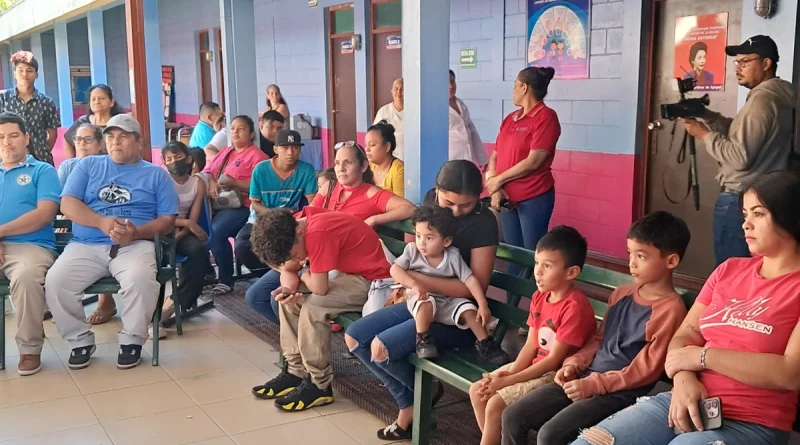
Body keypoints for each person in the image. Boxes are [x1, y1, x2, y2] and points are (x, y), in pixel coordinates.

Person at [572, 172, 800, 445]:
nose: (745, 224)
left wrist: (701, 357)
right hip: (682, 400)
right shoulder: (729, 270)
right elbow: (684, 337)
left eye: (758, 214)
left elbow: (788, 373)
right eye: (745, 213)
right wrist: (683, 379)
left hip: (750, 421)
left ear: (790, 219)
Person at [501, 211, 691, 445]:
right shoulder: (621, 294)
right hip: (586, 376)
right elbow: (598, 339)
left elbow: (645, 370)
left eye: (641, 256)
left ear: (671, 261)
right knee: (512, 415)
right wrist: (573, 364)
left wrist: (594, 385)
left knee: (550, 435)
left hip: (618, 393)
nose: (631, 263)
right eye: (630, 253)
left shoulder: (670, 310)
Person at [345, 160, 499, 441]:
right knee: (355, 337)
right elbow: (415, 256)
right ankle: (415, 399)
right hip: (421, 302)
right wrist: (409, 282)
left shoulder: (484, 221)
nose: (455, 211)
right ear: (436, 191)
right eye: (449, 202)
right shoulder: (431, 203)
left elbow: (471, 287)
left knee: (381, 348)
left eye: (465, 205)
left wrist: (415, 280)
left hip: (455, 315)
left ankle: (409, 409)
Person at [45, 114, 179, 370]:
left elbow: (167, 220)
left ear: (139, 142)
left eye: (124, 136)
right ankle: (79, 341)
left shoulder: (156, 175)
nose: (115, 141)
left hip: (135, 244)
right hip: (86, 244)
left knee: (140, 279)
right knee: (56, 281)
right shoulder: (88, 166)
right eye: (110, 136)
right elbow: (68, 204)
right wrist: (101, 222)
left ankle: (132, 340)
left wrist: (136, 233)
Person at [243, 144, 414, 324]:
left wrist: (375, 219)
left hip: (339, 265)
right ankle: (297, 342)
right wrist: (292, 281)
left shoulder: (371, 193)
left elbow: (408, 208)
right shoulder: (329, 188)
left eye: (348, 162)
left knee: (295, 301)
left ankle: (310, 332)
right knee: (258, 296)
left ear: (363, 166)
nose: (341, 168)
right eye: (337, 163)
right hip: (307, 255)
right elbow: (308, 224)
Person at [249, 209, 392, 410]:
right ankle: (295, 371)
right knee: (289, 299)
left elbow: (320, 288)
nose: (296, 257)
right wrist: (289, 289)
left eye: (293, 253)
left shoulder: (317, 233)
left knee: (314, 306)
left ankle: (319, 384)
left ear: (298, 233)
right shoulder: (293, 233)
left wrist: (304, 275)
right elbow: (290, 270)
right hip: (346, 275)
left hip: (373, 281)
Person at [468, 226, 596, 445]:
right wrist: (507, 375)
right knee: (477, 390)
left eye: (547, 265)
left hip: (557, 375)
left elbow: (554, 360)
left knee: (496, 403)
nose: (538, 271)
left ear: (571, 272)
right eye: (537, 263)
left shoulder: (575, 306)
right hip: (535, 366)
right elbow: (530, 344)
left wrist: (509, 380)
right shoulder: (540, 296)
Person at [680, 35, 795, 266]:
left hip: (740, 200)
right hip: (767, 197)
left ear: (766, 64)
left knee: (732, 270)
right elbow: (748, 135)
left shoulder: (762, 100)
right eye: (737, 62)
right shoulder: (783, 95)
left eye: (745, 62)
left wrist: (703, 134)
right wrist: (709, 117)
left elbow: (739, 156)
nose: (738, 68)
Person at [392, 206, 506, 363]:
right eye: (418, 236)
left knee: (469, 310)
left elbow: (469, 279)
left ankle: (485, 343)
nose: (422, 243)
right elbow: (395, 269)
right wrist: (414, 284)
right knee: (425, 303)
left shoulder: (452, 256)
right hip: (423, 298)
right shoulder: (412, 251)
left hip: (449, 301)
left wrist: (482, 303)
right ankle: (423, 339)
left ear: (446, 241)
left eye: (429, 238)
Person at [0, 112, 60, 376]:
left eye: (13, 135)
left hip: (31, 245)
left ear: (26, 138)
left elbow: (44, 214)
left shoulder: (43, 171)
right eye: (1, 137)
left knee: (25, 276)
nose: (7, 142)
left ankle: (29, 348)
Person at [486, 66, 560, 279]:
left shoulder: (546, 117)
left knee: (533, 257)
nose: (513, 90)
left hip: (534, 197)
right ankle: (512, 304)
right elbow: (495, 154)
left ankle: (534, 305)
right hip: (508, 198)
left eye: (515, 86)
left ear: (524, 88)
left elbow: (534, 161)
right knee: (513, 254)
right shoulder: (511, 118)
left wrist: (498, 180)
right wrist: (494, 182)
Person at [201, 115, 269, 295]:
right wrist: (212, 182)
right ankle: (205, 272)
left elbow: (262, 186)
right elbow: (207, 171)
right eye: (232, 128)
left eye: (241, 129)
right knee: (196, 226)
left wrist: (235, 184)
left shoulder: (258, 156)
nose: (235, 132)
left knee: (215, 232)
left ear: (252, 133)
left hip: (243, 206)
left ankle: (225, 279)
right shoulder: (226, 152)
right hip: (218, 203)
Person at [235, 129, 317, 274]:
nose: (290, 152)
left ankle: (286, 275)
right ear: (275, 149)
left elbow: (313, 202)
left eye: (295, 147)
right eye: (285, 148)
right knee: (242, 246)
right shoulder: (261, 169)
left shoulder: (307, 170)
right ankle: (268, 275)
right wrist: (275, 213)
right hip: (261, 218)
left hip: (291, 220)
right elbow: (255, 203)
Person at [155, 141, 209, 336]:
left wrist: (180, 235)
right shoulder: (163, 181)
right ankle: (148, 309)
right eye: (169, 159)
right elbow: (161, 215)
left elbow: (193, 218)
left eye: (177, 157)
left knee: (199, 251)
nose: (174, 162)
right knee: (154, 258)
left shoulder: (197, 183)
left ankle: (174, 303)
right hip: (161, 228)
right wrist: (186, 225)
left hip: (182, 232)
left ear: (188, 158)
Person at [0, 51, 59, 165]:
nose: (24, 74)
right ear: (14, 74)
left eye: (29, 70)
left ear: (36, 75)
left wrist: (41, 149)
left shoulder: (46, 102)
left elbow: (52, 133)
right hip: (8, 159)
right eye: (20, 70)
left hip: (40, 158)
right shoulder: (3, 98)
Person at [63, 84, 122, 159]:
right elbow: (67, 140)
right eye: (93, 99)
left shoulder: (119, 123)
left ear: (111, 102)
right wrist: (72, 161)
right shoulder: (83, 121)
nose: (97, 102)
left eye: (101, 98)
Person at [449, 70, 490, 168]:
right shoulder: (436, 108)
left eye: (453, 81)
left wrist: (482, 159)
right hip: (449, 161)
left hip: (467, 159)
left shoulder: (460, 104)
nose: (451, 86)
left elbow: (472, 131)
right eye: (446, 83)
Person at [58, 123, 105, 187]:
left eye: (88, 139)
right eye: (78, 139)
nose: (82, 143)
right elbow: (58, 194)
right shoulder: (67, 166)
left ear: (100, 144)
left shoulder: (108, 166)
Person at [365, 120, 404, 196]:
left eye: (372, 145)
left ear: (387, 146)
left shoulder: (398, 170)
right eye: (365, 144)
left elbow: (402, 205)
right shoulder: (368, 167)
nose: (367, 149)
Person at [374, 78, 404, 160]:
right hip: (389, 160)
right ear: (392, 92)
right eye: (396, 89)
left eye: (402, 89)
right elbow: (375, 135)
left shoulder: (414, 112)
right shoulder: (383, 111)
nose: (399, 92)